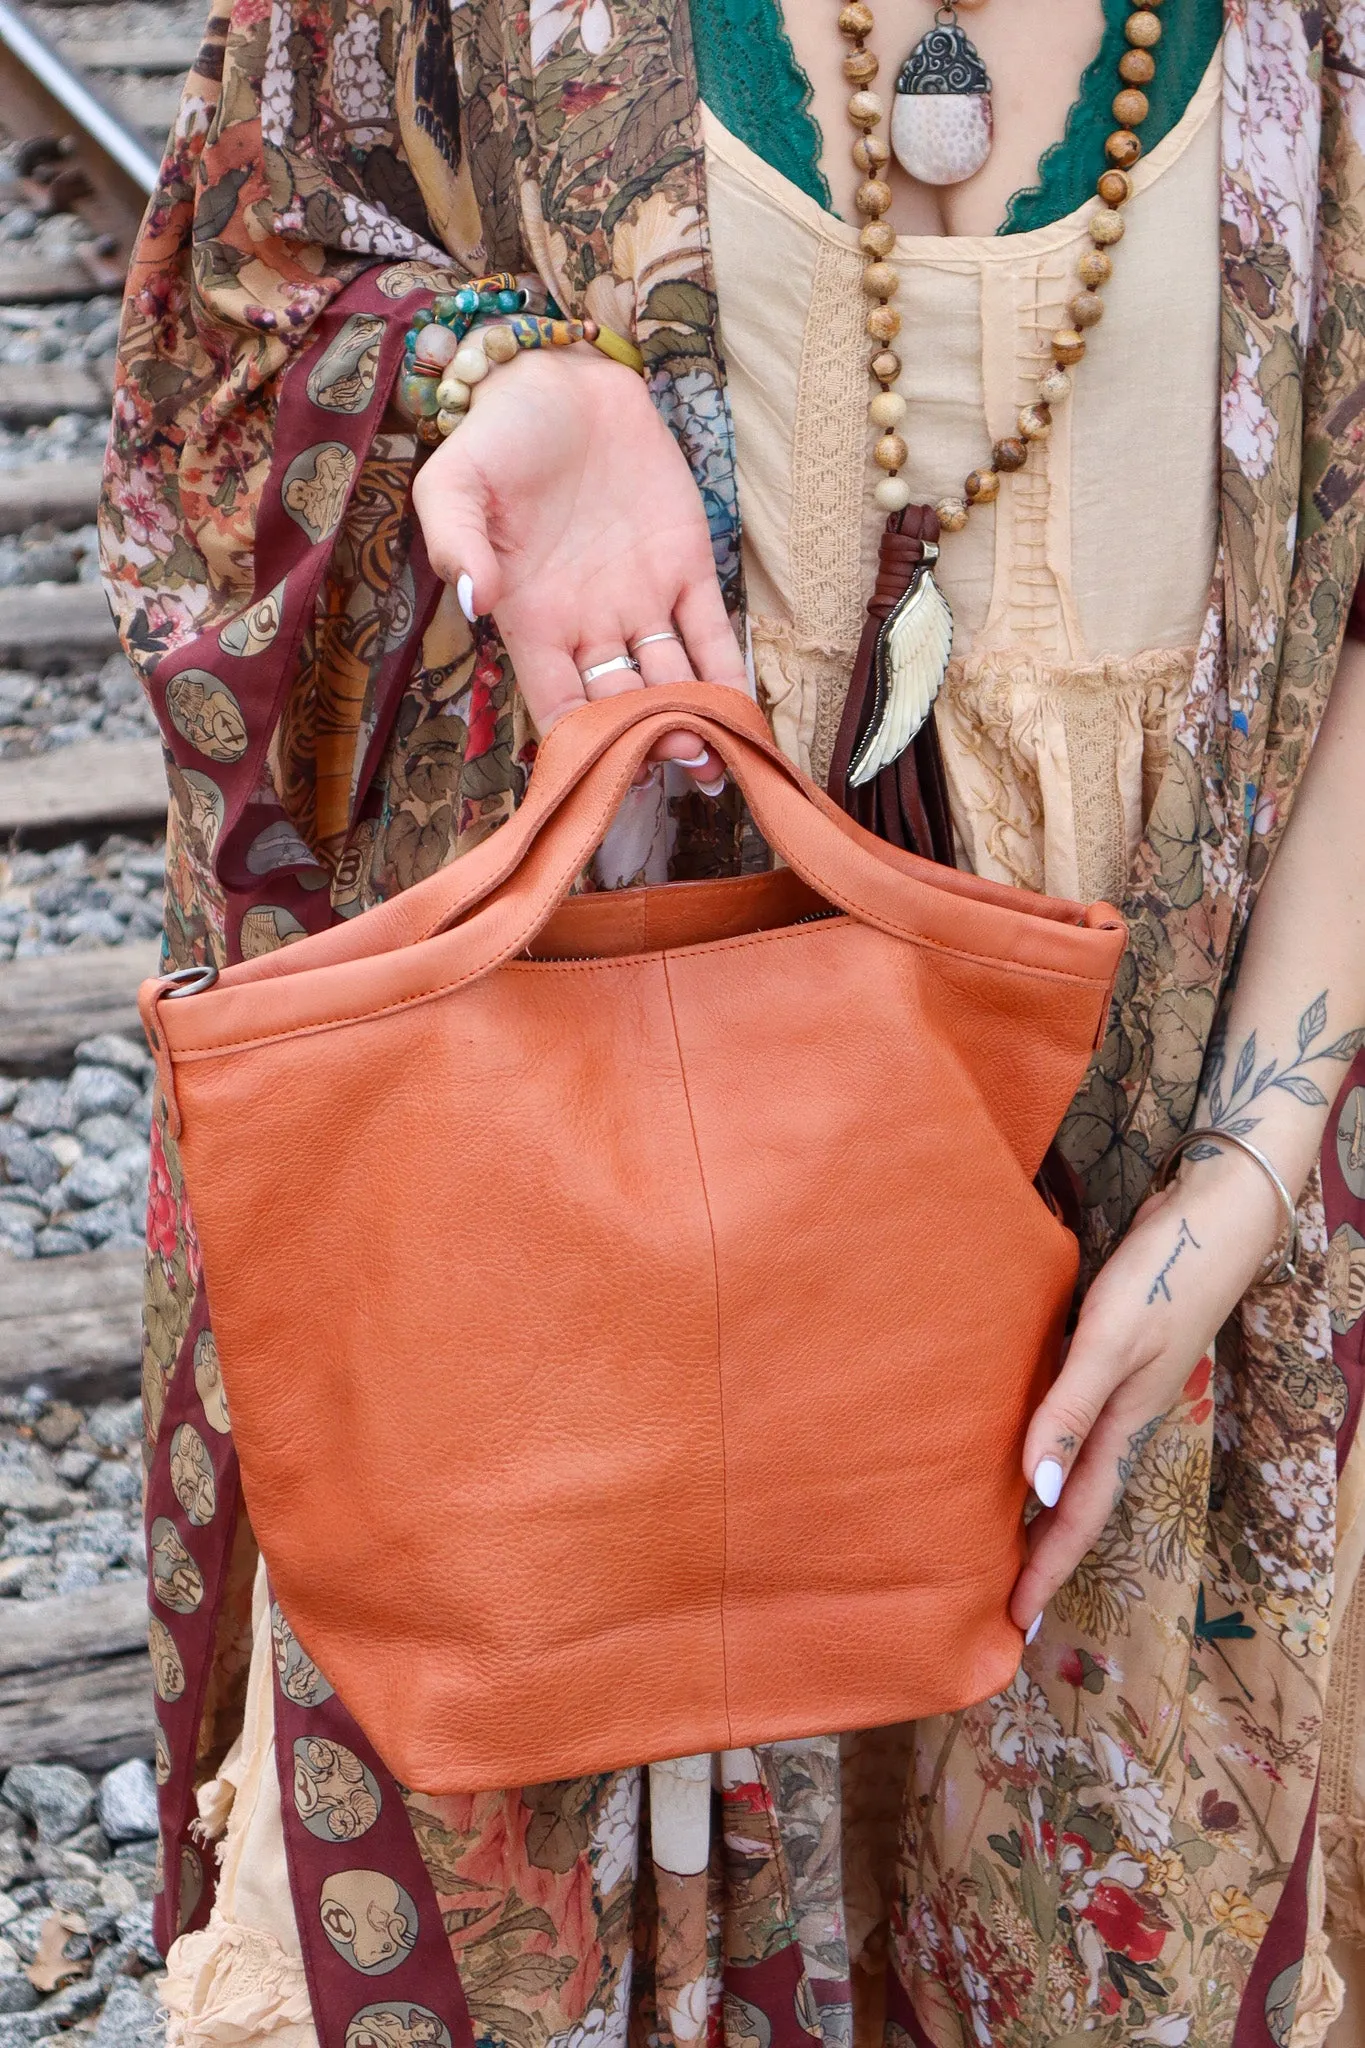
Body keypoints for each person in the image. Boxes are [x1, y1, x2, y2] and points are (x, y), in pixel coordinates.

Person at [98, 0, 1365, 2041]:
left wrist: (1239, 1181)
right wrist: (488, 369)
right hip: (571, 1326)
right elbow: (211, 346)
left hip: (1152, 1266)